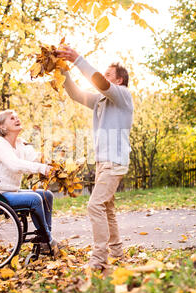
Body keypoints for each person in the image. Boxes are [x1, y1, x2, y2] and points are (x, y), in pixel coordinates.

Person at [57, 46, 134, 272]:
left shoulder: (122, 96)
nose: (102, 77)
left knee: (95, 206)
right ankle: (117, 253)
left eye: (108, 75)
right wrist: (63, 70)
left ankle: (99, 259)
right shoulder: (100, 101)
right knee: (107, 209)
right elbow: (75, 94)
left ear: (119, 81)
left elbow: (99, 82)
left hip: (115, 162)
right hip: (103, 163)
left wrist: (77, 59)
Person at [0, 109, 59, 256]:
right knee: (35, 199)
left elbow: (34, 157)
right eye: (12, 118)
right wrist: (42, 168)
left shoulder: (19, 143)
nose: (17, 119)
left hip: (11, 191)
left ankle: (44, 241)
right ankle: (48, 239)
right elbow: (15, 165)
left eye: (17, 117)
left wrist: (52, 164)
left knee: (46, 195)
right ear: (3, 127)